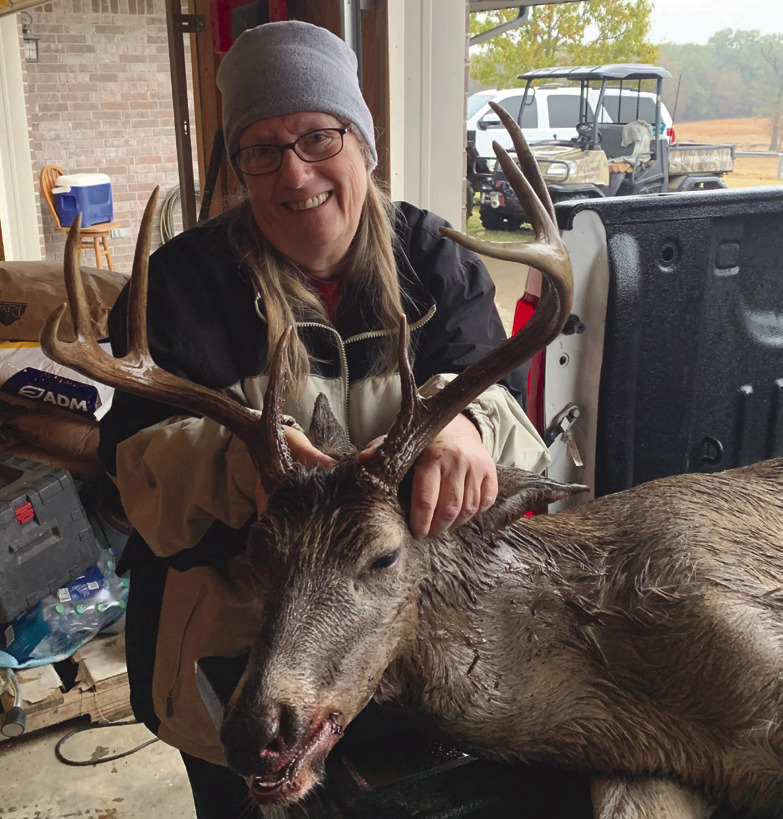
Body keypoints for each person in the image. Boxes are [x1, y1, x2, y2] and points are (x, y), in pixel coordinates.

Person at [99, 20, 550, 818]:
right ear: (237, 164)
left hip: (407, 648)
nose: (294, 172)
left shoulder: (434, 259)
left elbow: (520, 440)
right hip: (235, 650)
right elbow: (131, 483)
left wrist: (464, 425)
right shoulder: (179, 285)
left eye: (317, 135)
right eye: (261, 149)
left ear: (363, 143)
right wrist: (238, 455)